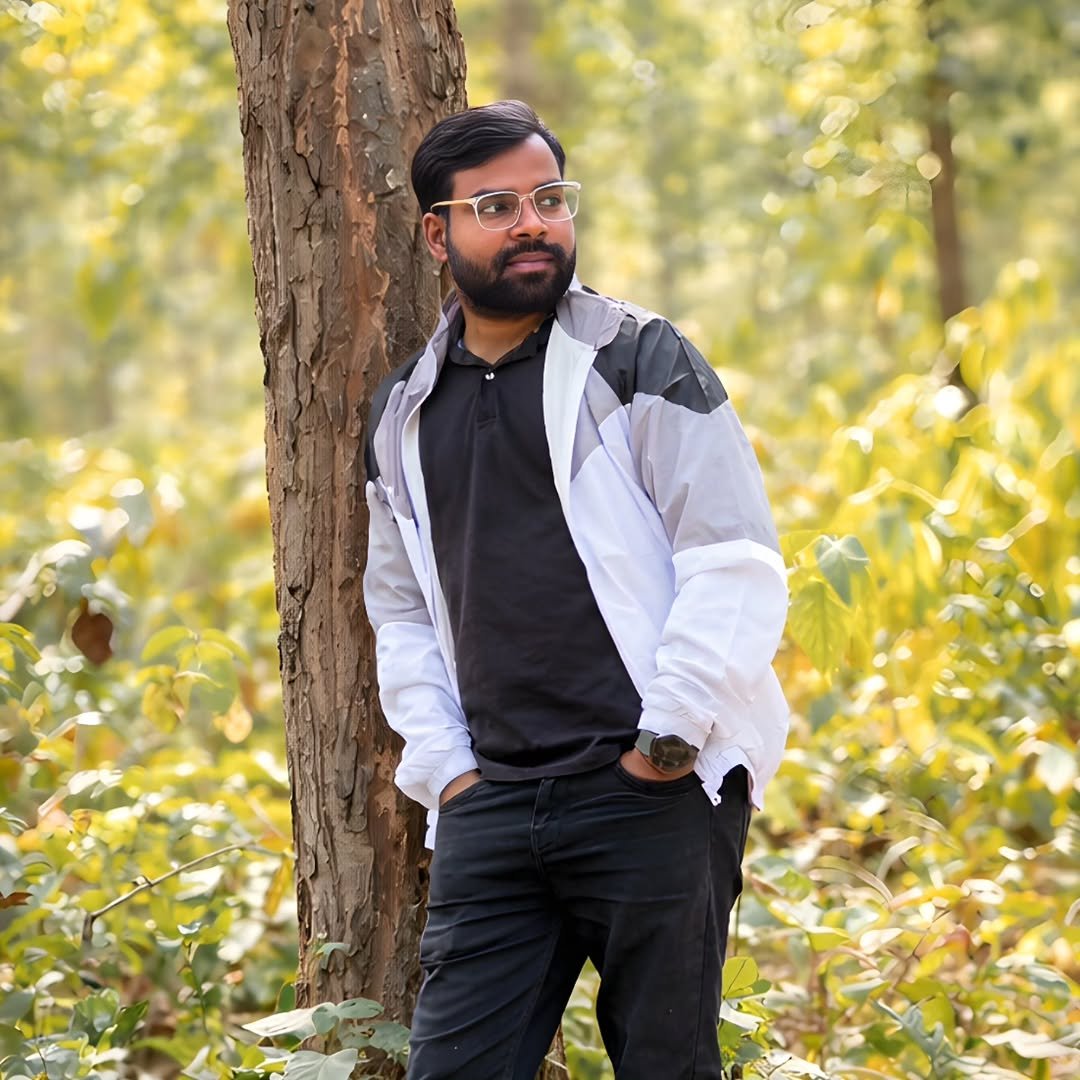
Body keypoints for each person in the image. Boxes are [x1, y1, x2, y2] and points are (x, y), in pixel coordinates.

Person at [363, 100, 789, 1080]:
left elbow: (732, 559)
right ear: (437, 234)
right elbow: (402, 610)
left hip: (650, 793)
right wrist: (449, 774)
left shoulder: (639, 358)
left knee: (666, 1064)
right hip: (492, 805)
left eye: (550, 199)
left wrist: (664, 746)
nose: (533, 224)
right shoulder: (403, 412)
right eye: (497, 206)